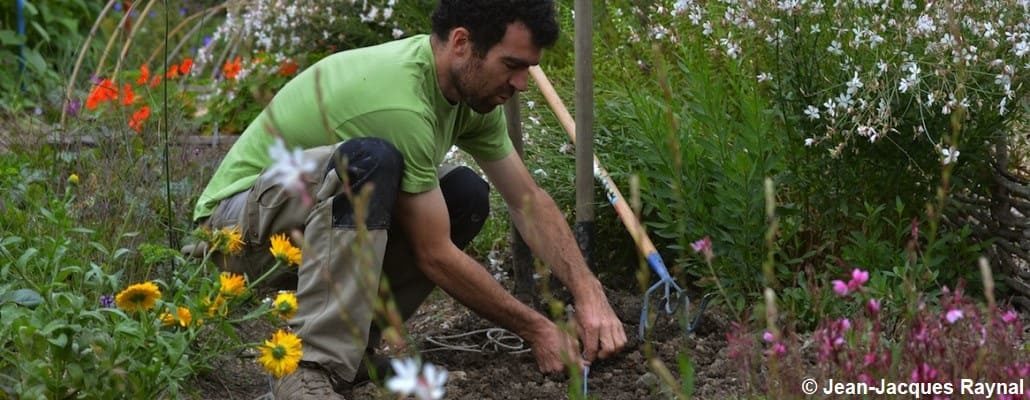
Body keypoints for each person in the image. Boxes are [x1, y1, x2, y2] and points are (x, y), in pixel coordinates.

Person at [189, 0, 626, 398]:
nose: (522, 84)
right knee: (368, 162)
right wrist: (538, 330)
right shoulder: (401, 104)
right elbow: (434, 255)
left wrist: (590, 293)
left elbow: (528, 200)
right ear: (461, 43)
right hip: (234, 237)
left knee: (464, 195)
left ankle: (352, 351)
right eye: (512, 65)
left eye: (527, 68)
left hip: (308, 225)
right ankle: (310, 369)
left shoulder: (469, 94)